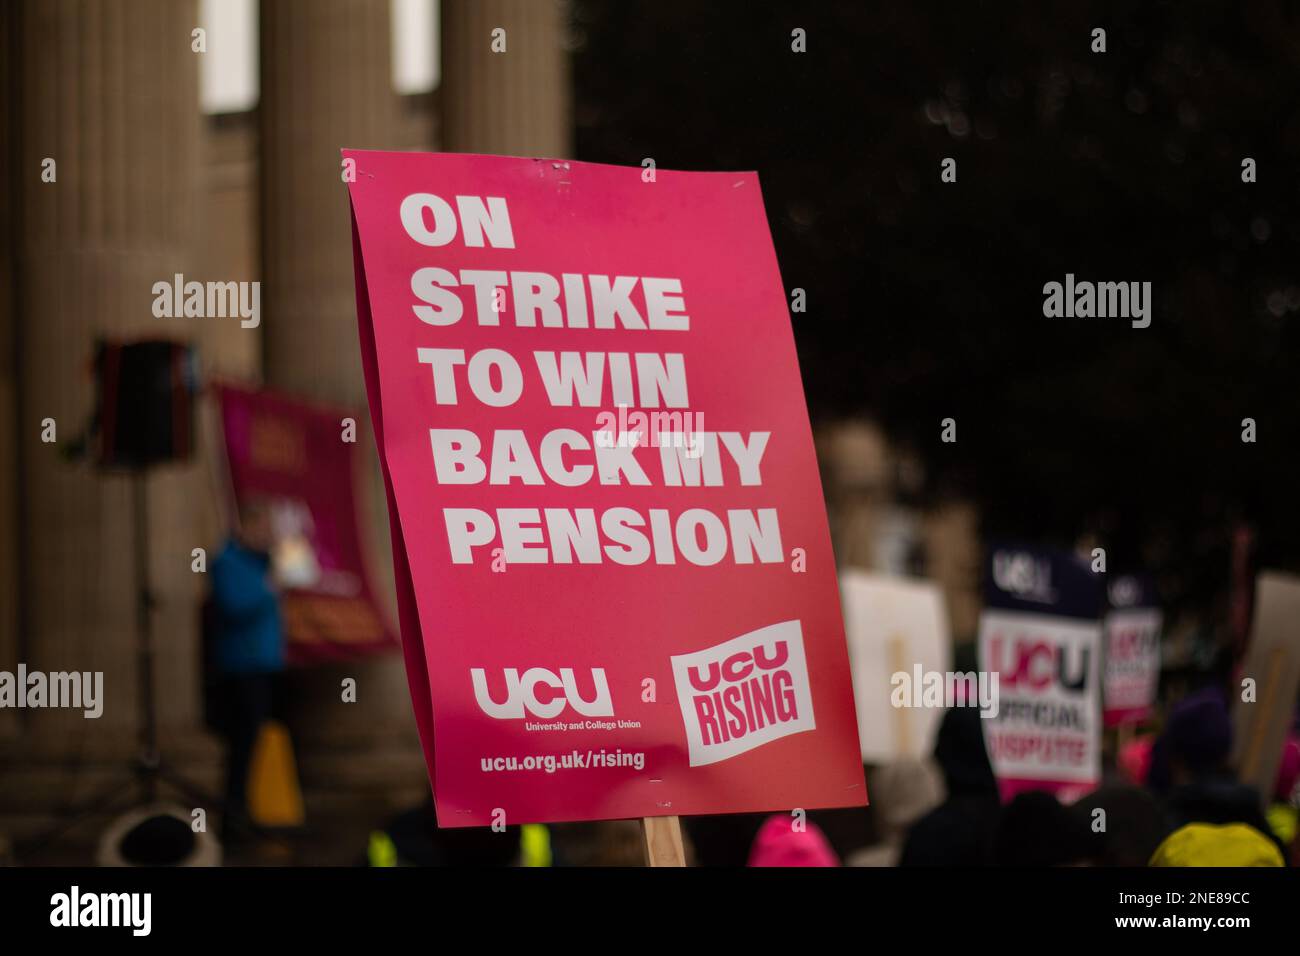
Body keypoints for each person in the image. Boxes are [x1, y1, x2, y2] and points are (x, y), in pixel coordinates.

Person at [208, 498, 285, 840]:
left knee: (255, 743)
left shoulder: (260, 564)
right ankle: (233, 820)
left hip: (264, 665)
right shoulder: (228, 562)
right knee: (241, 745)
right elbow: (234, 605)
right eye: (263, 528)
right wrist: (270, 588)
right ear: (245, 527)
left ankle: (248, 812)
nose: (269, 535)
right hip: (241, 669)